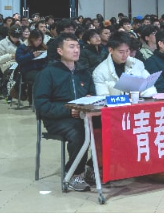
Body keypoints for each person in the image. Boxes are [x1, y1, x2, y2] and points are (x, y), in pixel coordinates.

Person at [34, 33, 96, 192]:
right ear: (60, 51)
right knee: (79, 132)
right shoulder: (48, 73)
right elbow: (42, 105)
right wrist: (69, 110)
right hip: (57, 119)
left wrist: (90, 100)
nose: (76, 50)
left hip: (83, 115)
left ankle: (92, 167)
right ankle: (74, 173)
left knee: (107, 127)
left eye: (78, 47)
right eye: (71, 47)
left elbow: (93, 95)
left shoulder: (84, 72)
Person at [93, 33, 157, 97]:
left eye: (127, 51)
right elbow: (102, 97)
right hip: (116, 103)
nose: (125, 55)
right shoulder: (100, 72)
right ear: (111, 50)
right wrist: (126, 97)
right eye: (121, 52)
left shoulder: (137, 64)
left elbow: (150, 88)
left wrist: (138, 94)